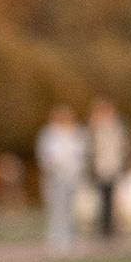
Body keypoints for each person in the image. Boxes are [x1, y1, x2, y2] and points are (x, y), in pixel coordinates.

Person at [35, 102, 89, 253]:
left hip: (72, 175)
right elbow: (46, 155)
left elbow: (81, 153)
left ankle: (69, 239)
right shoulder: (49, 133)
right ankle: (56, 240)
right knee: (57, 209)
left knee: (70, 208)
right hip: (56, 176)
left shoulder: (76, 132)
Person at [86, 96, 131, 238]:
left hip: (114, 166)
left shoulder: (118, 127)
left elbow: (125, 146)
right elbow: (90, 149)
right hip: (100, 167)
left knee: (114, 199)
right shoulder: (94, 129)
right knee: (102, 199)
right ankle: (103, 230)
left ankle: (113, 229)